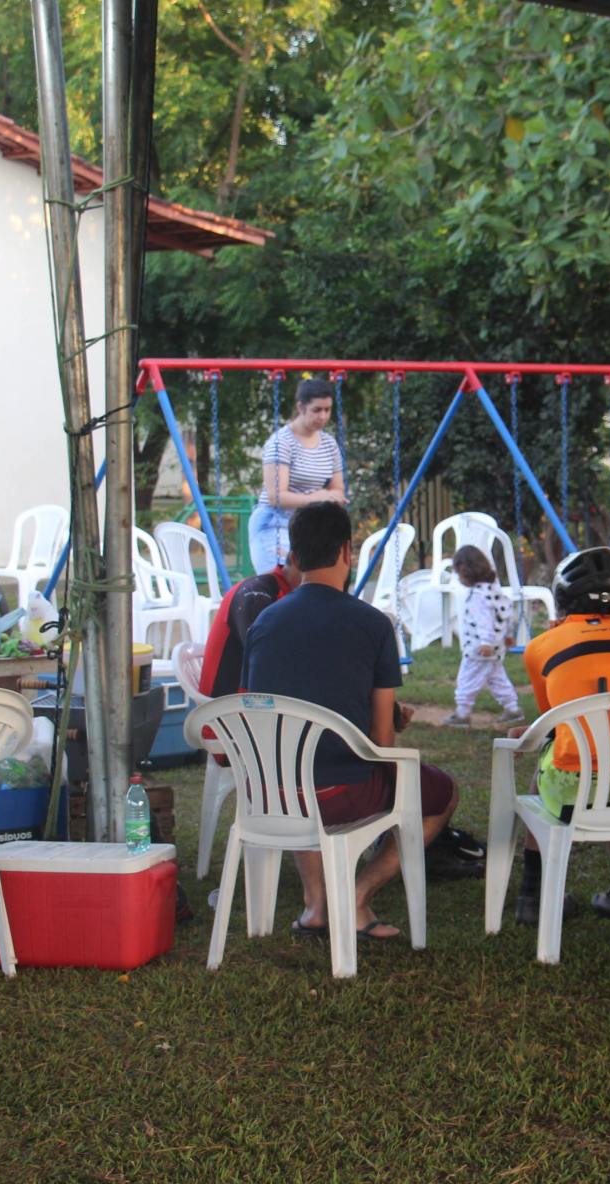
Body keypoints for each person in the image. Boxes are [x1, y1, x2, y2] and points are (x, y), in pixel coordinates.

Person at [242, 501, 459, 940]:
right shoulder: (373, 624)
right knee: (443, 792)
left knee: (299, 762)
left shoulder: (264, 622)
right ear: (347, 551)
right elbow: (381, 739)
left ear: (295, 557)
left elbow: (263, 710)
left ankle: (317, 906)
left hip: (271, 793)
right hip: (342, 795)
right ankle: (356, 897)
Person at [513, 546, 610, 925]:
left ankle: (534, 896)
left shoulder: (540, 647)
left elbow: (551, 721)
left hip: (571, 796)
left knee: (545, 768)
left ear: (562, 598)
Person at [247, 379, 346, 574]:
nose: (323, 416)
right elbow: (277, 497)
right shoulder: (281, 442)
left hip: (309, 524)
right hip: (274, 523)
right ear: (301, 407)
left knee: (314, 583)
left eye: (327, 410)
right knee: (283, 582)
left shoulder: (329, 444)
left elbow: (338, 489)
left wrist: (329, 498)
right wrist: (318, 498)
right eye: (317, 410)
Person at [197, 552, 302, 701]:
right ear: (296, 560)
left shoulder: (292, 595)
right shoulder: (256, 595)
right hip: (229, 710)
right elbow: (268, 667)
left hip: (261, 705)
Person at [446, 544, 522, 727]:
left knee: (467, 679)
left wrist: (486, 643)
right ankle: (513, 709)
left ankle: (462, 714)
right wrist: (508, 635)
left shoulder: (477, 596)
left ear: (466, 572)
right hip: (496, 648)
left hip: (479, 649)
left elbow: (484, 621)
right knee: (497, 679)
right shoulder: (493, 591)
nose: (458, 578)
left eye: (458, 573)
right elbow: (506, 613)